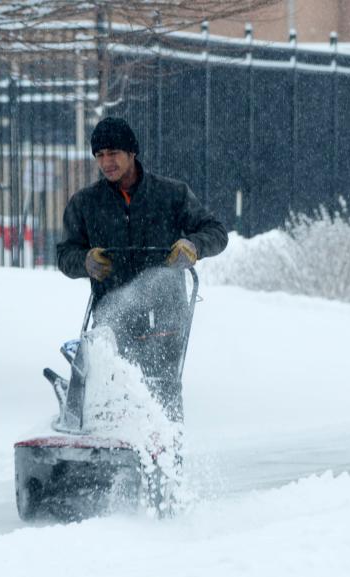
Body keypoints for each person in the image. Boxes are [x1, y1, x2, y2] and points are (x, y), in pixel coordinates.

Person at [57, 117, 227, 421]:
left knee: (163, 395)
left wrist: (193, 246)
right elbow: (65, 254)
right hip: (113, 319)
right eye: (99, 156)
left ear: (131, 152)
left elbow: (216, 232)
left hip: (166, 318)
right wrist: (85, 261)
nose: (106, 162)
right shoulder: (86, 204)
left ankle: (166, 458)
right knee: (113, 393)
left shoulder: (172, 195)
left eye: (113, 153)